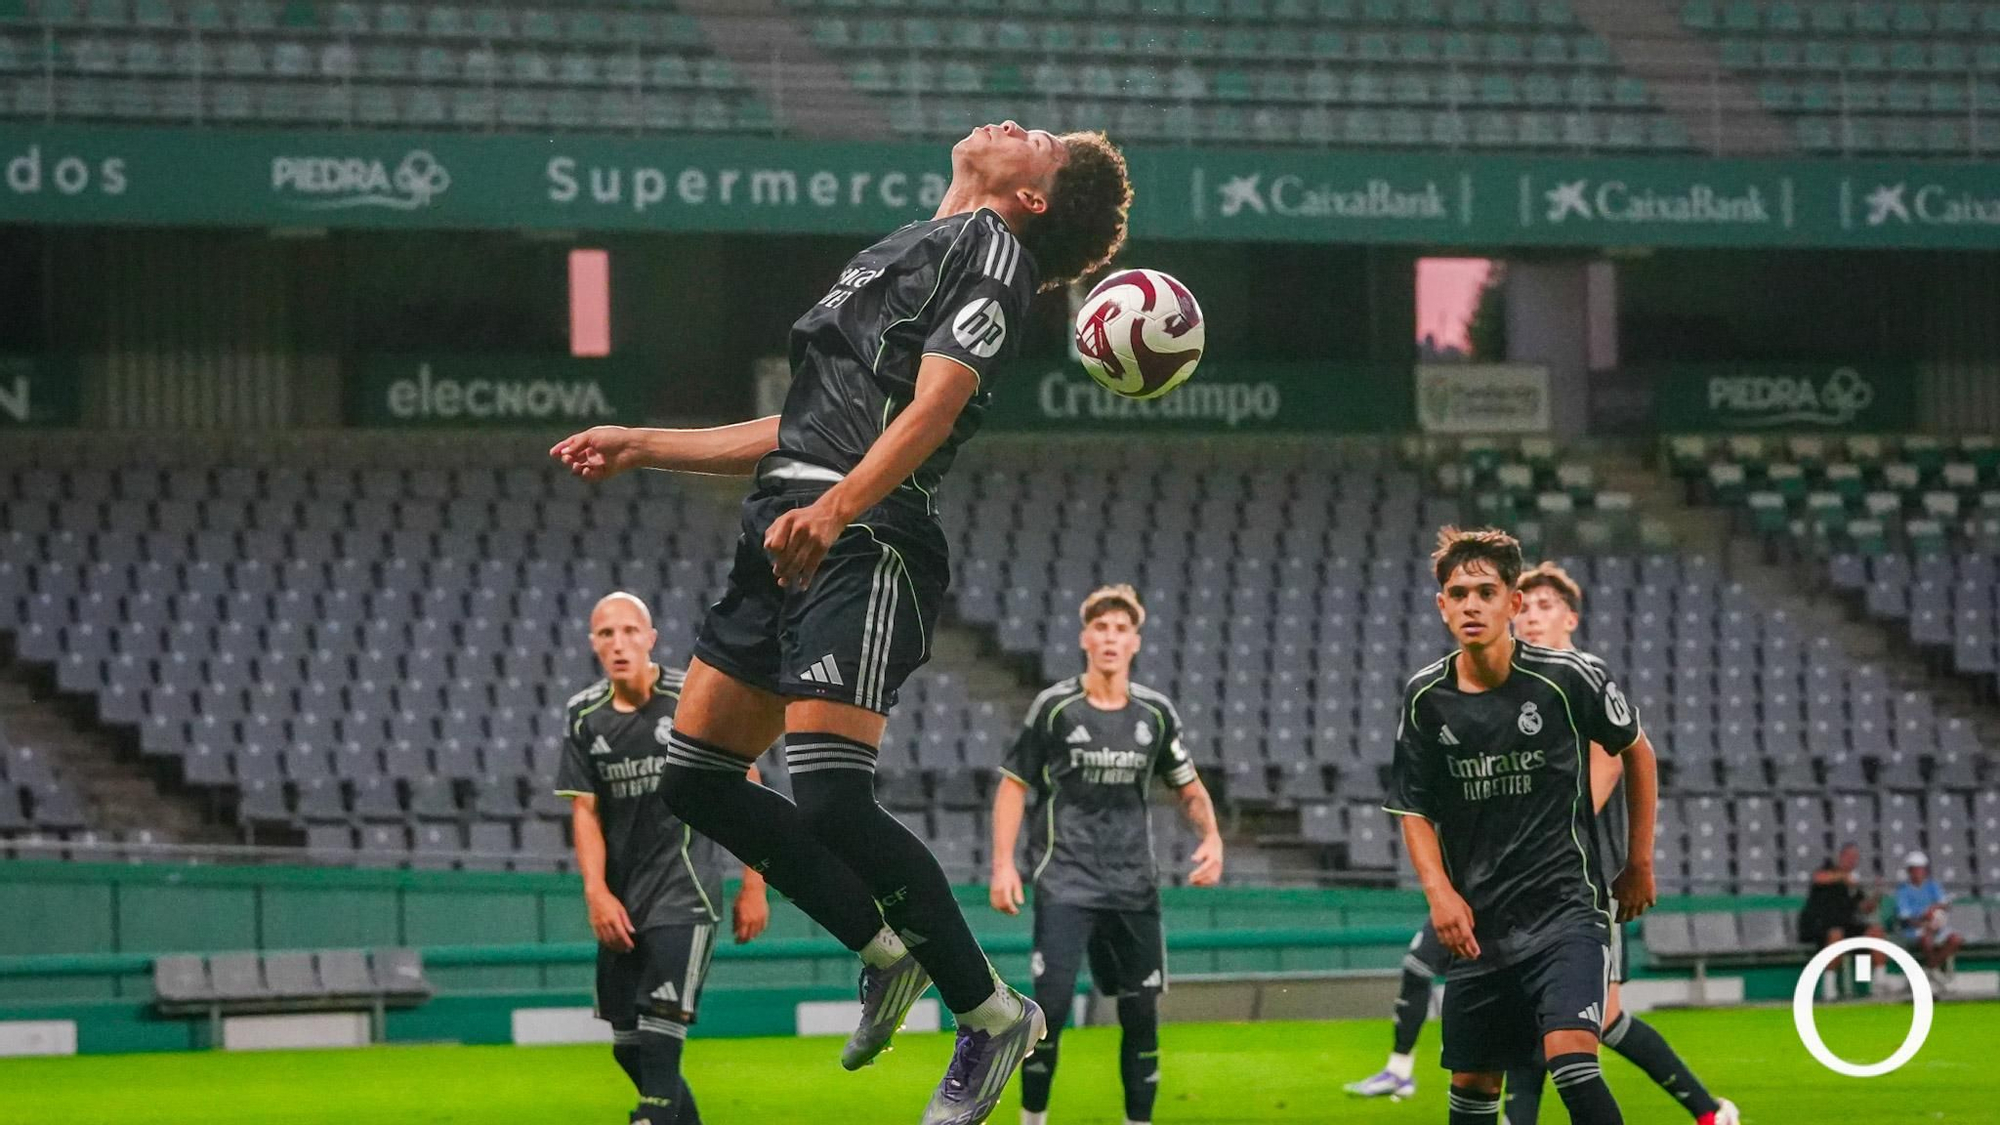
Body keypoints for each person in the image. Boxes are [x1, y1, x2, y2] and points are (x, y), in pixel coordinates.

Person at [551, 121, 1134, 1125]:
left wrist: (837, 508)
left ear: (1032, 198)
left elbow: (937, 404)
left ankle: (992, 1014)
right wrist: (643, 442)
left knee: (827, 798)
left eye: (1034, 139)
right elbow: (799, 424)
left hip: (864, 535)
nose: (1010, 124)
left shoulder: (993, 250)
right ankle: (882, 948)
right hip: (788, 519)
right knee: (695, 776)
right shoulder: (910, 245)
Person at [1386, 528, 1659, 1125]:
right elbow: (1412, 806)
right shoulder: (1425, 698)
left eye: (1486, 592)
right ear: (1441, 606)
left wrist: (1638, 862)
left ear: (1512, 602)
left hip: (1566, 912)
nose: (1472, 605)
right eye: (1459, 594)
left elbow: (1637, 751)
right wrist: (1439, 894)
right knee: (1474, 1083)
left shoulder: (1570, 677)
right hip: (1482, 924)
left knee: (1572, 1057)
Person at [1493, 564, 1738, 1125]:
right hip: (1527, 882)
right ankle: (1710, 1112)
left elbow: (1600, 780)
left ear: (1570, 618)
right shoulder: (1515, 691)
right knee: (1550, 1018)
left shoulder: (1586, 682)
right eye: (1525, 607)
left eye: (1546, 606)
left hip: (1586, 882)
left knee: (1591, 1020)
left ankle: (1709, 1111)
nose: (1531, 617)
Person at [988, 585, 1224, 1125]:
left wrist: (1212, 836)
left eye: (1121, 629)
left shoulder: (1155, 714)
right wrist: (1003, 864)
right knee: (1048, 1011)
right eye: (1101, 628)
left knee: (1140, 1015)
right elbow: (1013, 784)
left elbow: (1188, 788)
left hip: (1133, 885)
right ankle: (1032, 1119)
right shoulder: (1055, 708)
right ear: (1085, 639)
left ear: (1135, 642)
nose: (1111, 638)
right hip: (1065, 881)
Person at [555, 592, 773, 1125]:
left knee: (660, 1029)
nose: (619, 643)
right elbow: (584, 812)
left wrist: (755, 884)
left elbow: (748, 786)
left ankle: (650, 1116)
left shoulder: (691, 700)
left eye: (630, 631)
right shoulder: (584, 715)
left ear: (650, 638)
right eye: (606, 634)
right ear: (593, 644)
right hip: (622, 901)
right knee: (628, 1046)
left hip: (686, 892)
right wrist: (596, 893)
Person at [1894, 851, 1962, 986]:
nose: (1919, 872)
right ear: (1909, 871)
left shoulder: (1933, 886)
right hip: (1914, 929)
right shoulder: (1903, 891)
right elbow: (1905, 918)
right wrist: (1924, 919)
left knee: (1955, 939)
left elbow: (1944, 904)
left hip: (1936, 927)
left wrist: (1934, 910)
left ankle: (1930, 968)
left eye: (1921, 869)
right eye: (1915, 869)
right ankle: (1933, 971)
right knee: (1926, 938)